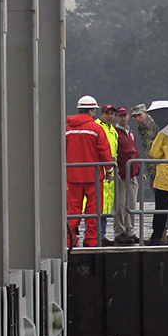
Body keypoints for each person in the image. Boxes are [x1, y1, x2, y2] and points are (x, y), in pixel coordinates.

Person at [65, 95, 113, 247]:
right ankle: (91, 241)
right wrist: (109, 169)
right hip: (93, 176)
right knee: (93, 210)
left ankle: (69, 239)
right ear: (91, 111)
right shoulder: (96, 129)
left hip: (72, 177)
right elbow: (104, 151)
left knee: (73, 210)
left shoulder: (67, 129)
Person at [111, 106, 142, 244]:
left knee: (132, 205)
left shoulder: (130, 132)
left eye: (125, 115)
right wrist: (115, 171)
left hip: (132, 174)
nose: (123, 118)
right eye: (121, 115)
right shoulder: (115, 132)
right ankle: (120, 232)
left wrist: (139, 170)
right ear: (117, 117)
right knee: (120, 205)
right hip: (121, 175)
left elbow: (134, 151)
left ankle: (130, 231)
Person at [95, 104, 120, 240]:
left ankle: (101, 235)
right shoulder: (97, 128)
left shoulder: (113, 131)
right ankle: (96, 236)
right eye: (107, 113)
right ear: (101, 114)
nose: (110, 116)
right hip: (101, 171)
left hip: (110, 172)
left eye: (112, 113)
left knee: (106, 206)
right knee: (96, 205)